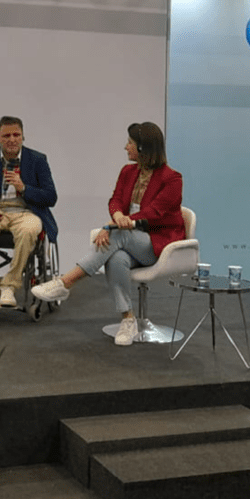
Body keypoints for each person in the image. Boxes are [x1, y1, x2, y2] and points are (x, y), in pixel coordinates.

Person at [32, 121, 185, 346]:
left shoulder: (172, 179)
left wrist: (113, 226)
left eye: (130, 143)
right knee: (116, 258)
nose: (126, 147)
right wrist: (116, 217)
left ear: (143, 148)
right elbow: (115, 200)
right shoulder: (128, 171)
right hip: (129, 236)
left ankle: (65, 283)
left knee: (117, 236)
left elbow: (155, 212)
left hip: (158, 244)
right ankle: (128, 319)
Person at [0, 116, 58, 307]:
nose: (11, 139)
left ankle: (9, 286)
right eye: (6, 135)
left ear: (23, 137)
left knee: (28, 230)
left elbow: (51, 197)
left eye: (16, 135)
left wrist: (24, 188)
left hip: (27, 213)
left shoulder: (37, 160)